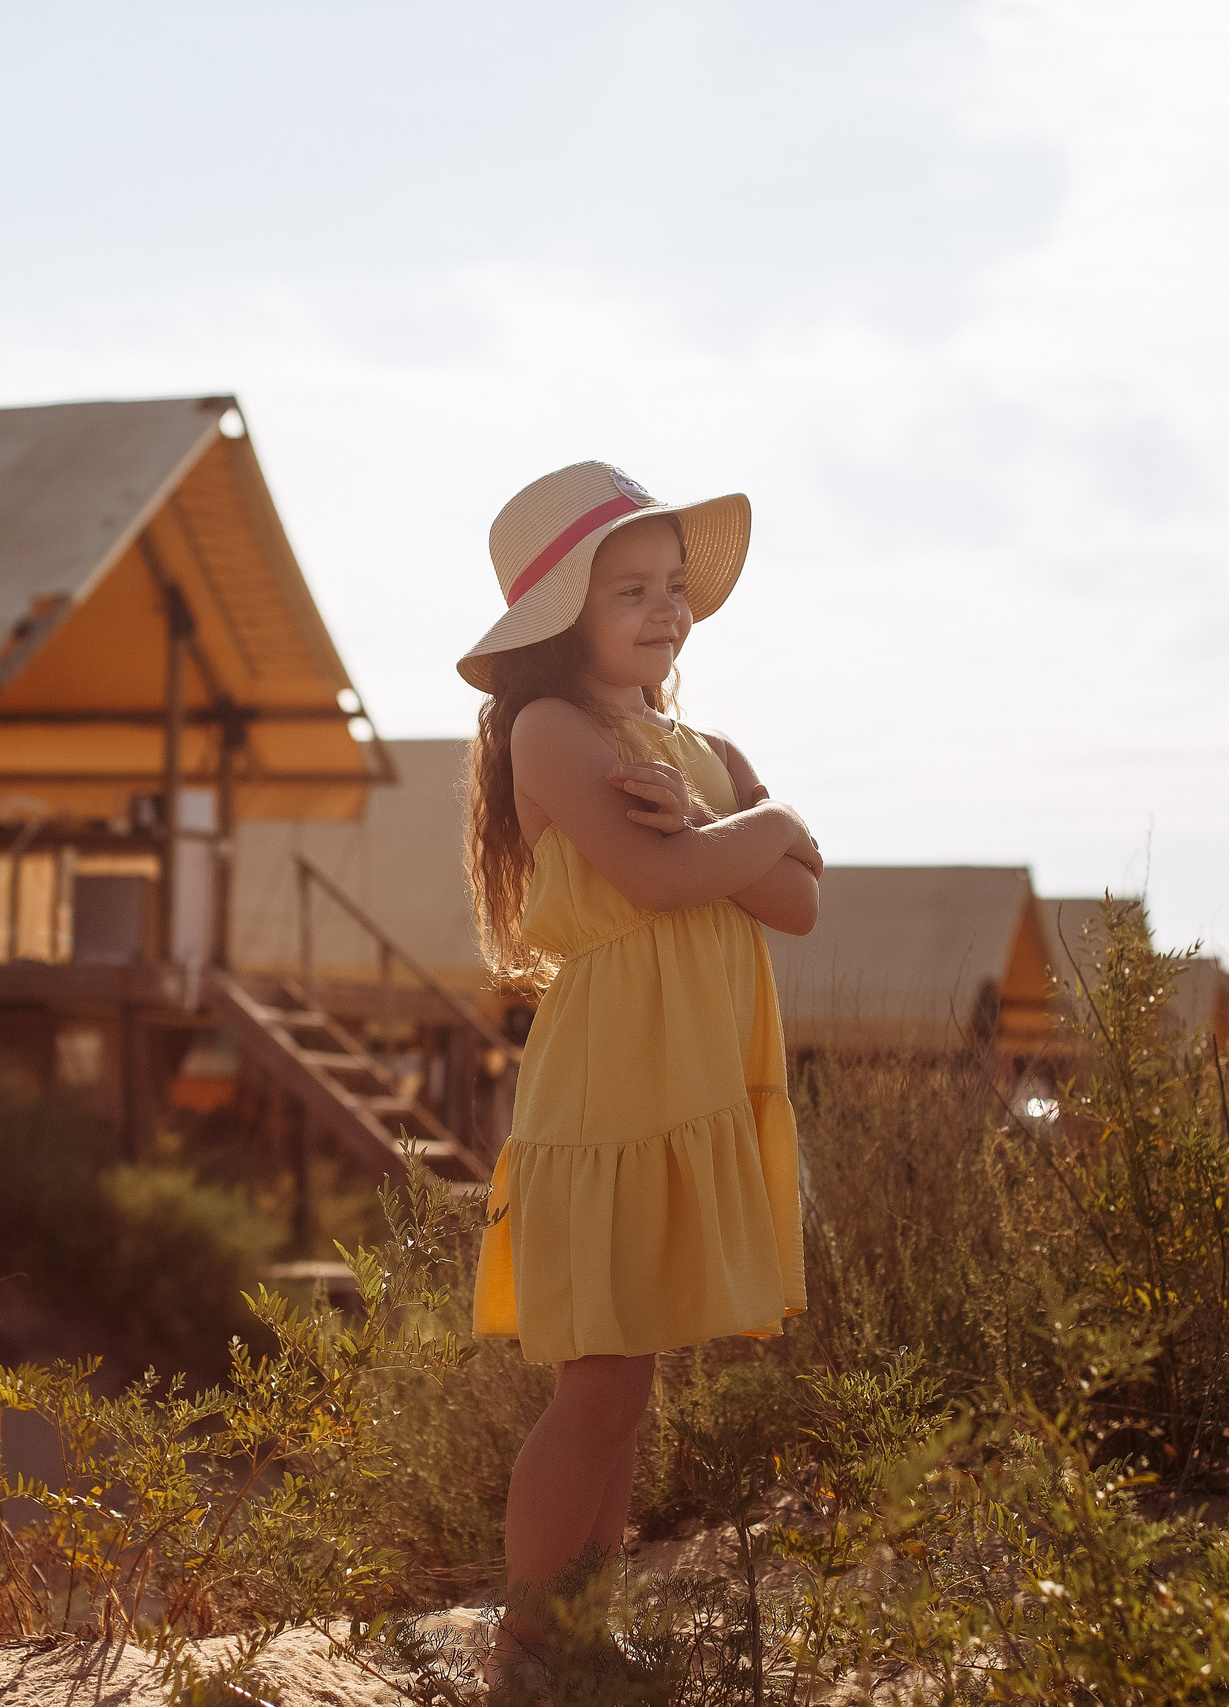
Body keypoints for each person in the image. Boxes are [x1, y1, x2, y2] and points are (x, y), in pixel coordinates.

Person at [458, 461, 820, 1678]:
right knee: (600, 1383)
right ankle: (526, 1648)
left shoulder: (701, 746)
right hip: (613, 1088)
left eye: (673, 584)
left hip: (690, 1083)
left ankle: (579, 1634)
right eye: (630, 588)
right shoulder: (552, 731)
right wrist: (766, 825)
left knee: (630, 1386)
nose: (665, 608)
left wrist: (736, 830)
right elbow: (681, 878)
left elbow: (799, 907)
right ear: (562, 611)